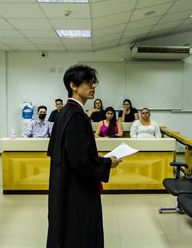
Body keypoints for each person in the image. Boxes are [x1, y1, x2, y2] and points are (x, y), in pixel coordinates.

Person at [46, 64, 121, 248]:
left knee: (64, 228)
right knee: (80, 231)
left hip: (62, 182)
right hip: (77, 189)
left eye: (94, 82)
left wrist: (92, 155)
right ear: (73, 85)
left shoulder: (64, 112)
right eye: (88, 82)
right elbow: (80, 161)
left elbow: (59, 150)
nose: (93, 86)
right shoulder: (77, 115)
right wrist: (107, 162)